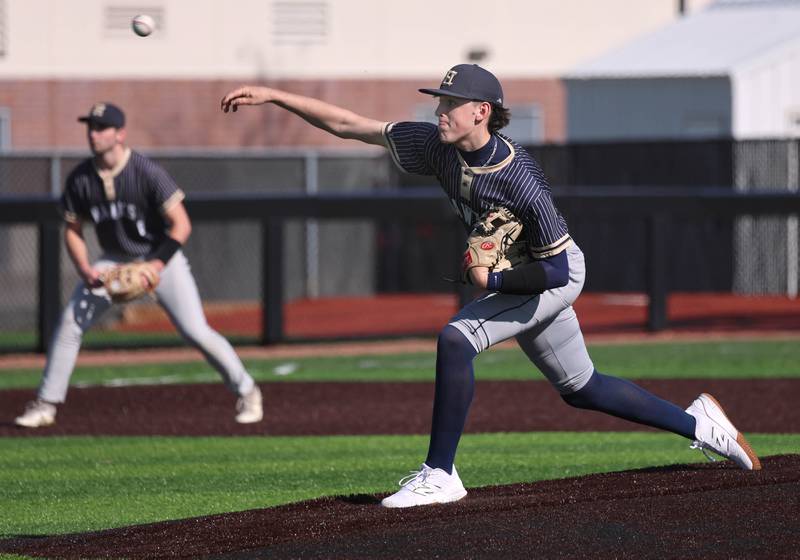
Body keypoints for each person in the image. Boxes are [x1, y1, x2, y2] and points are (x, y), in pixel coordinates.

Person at [219, 64, 761, 508]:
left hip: (555, 275)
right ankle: (702, 425)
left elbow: (555, 272)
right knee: (583, 389)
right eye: (438, 101)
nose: (438, 111)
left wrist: (493, 279)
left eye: (448, 103)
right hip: (532, 277)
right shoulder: (436, 147)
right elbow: (349, 125)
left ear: (480, 112)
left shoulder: (521, 179)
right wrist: (273, 95)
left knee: (457, 338)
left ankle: (441, 473)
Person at [15, 102, 263, 428]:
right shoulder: (81, 179)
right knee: (70, 325)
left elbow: (181, 224)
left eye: (101, 127)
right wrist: (86, 268)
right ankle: (45, 404)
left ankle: (248, 391)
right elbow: (73, 230)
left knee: (195, 331)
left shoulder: (145, 171)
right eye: (90, 127)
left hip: (159, 258)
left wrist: (157, 265)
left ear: (120, 133)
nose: (93, 134)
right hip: (113, 260)